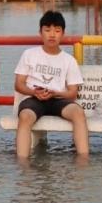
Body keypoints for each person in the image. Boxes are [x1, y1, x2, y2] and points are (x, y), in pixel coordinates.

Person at [13, 10, 88, 158]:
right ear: (40, 32)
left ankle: (83, 161)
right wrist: (34, 92)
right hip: (33, 99)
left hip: (58, 100)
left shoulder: (68, 60)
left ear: (63, 33)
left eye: (57, 30)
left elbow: (73, 93)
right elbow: (19, 84)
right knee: (25, 117)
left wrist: (56, 93)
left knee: (78, 113)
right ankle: (23, 165)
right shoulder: (29, 54)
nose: (52, 34)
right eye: (47, 30)